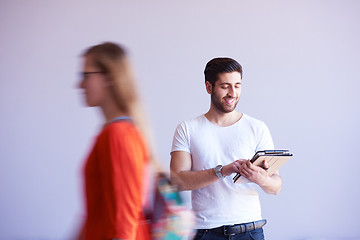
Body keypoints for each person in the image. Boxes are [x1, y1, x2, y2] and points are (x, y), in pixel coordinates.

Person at [170, 57, 282, 240]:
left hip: (250, 232)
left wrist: (260, 178)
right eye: (225, 86)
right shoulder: (187, 129)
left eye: (237, 85)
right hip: (205, 233)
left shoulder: (257, 128)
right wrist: (222, 171)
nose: (232, 93)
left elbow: (276, 186)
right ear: (209, 87)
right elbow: (177, 181)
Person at [77, 42, 151, 240]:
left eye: (86, 75)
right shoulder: (114, 132)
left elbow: (124, 223)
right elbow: (97, 209)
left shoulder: (118, 135)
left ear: (109, 77)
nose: (79, 84)